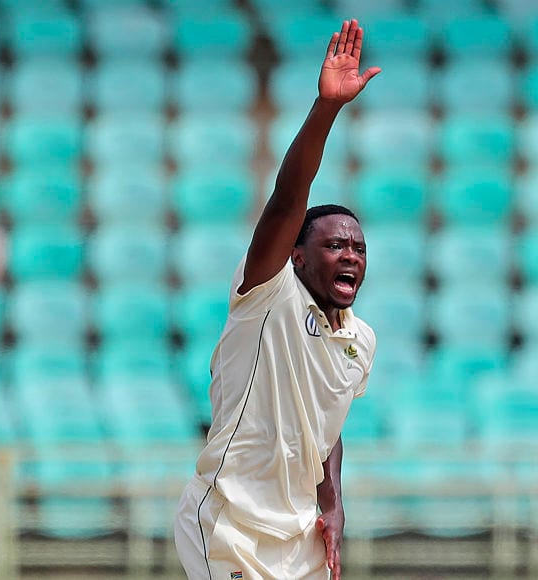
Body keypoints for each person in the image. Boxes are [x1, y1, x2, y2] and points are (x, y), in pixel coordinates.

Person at [174, 19, 381, 580]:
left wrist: (334, 506)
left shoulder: (360, 341)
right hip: (230, 525)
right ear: (296, 256)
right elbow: (288, 199)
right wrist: (327, 109)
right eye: (335, 244)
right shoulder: (266, 292)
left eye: (359, 248)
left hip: (300, 535)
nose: (351, 256)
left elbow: (327, 433)